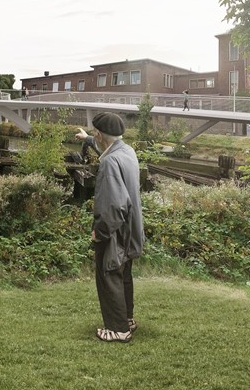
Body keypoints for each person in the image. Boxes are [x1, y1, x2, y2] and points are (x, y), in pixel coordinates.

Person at [74, 112, 145, 343]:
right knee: (124, 274)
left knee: (109, 273)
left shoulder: (109, 162)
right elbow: (106, 148)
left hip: (116, 230)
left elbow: (113, 204)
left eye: (95, 134)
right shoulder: (127, 152)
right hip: (132, 228)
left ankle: (117, 330)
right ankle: (127, 319)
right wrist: (87, 139)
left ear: (100, 133)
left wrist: (100, 231)